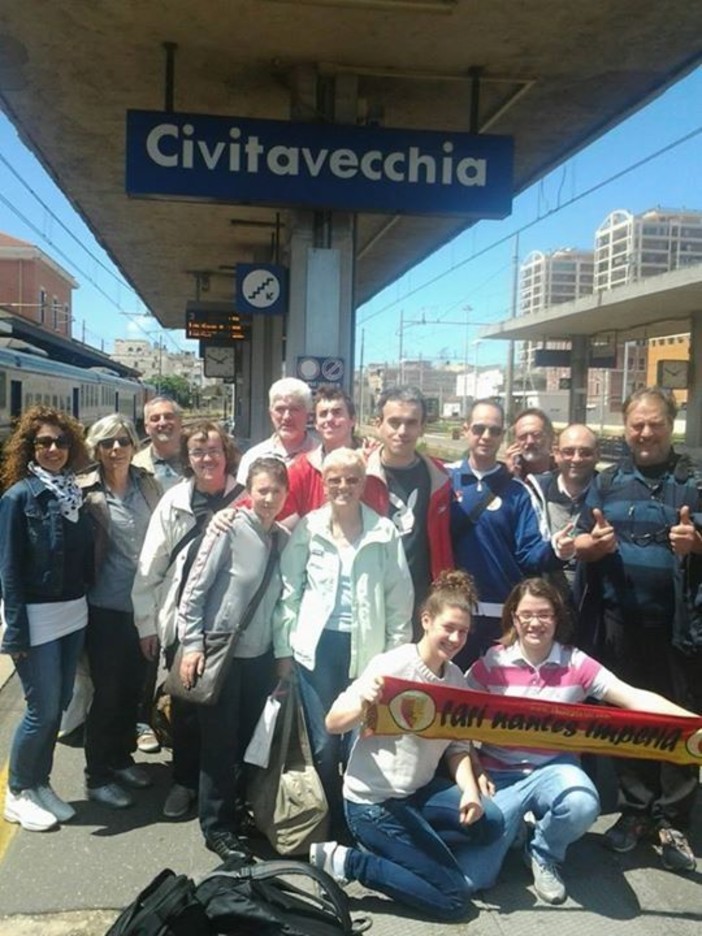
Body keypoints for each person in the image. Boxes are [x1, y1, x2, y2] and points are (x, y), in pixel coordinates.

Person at [462, 577, 698, 905]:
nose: (535, 622)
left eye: (544, 614)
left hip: (554, 769)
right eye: (526, 614)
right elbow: (454, 720)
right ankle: (515, 830)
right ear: (513, 617)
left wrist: (693, 724)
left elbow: (631, 696)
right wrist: (474, 770)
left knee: (583, 804)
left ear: (557, 618)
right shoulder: (491, 664)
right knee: (474, 878)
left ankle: (544, 852)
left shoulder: (576, 662)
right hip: (499, 775)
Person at [309, 570, 504, 921]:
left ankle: (409, 854)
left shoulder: (456, 679)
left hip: (417, 793)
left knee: (491, 821)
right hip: (373, 803)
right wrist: (363, 704)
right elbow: (332, 722)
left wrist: (470, 791)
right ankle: (350, 861)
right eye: (449, 627)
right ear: (426, 620)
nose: (456, 638)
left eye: (463, 631)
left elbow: (457, 747)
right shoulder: (392, 665)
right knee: (454, 899)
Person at [574, 386, 701, 872]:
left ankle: (673, 819)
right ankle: (634, 811)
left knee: (681, 718)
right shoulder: (606, 483)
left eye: (656, 424)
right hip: (619, 622)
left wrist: (698, 544)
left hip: (681, 626)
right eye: (637, 425)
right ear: (625, 427)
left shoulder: (695, 482)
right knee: (628, 718)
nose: (645, 433)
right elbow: (583, 539)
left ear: (674, 424)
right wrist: (593, 546)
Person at [276, 447, 413, 836]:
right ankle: (330, 818)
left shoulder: (383, 531)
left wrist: (396, 659)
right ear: (323, 484)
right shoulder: (309, 528)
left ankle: (359, 822)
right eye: (334, 479)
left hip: (368, 652)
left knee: (360, 741)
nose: (343, 486)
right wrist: (284, 650)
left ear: (364, 484)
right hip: (317, 651)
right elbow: (290, 589)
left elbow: (398, 599)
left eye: (352, 479)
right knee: (323, 744)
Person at [175, 458, 290, 861]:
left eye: (277, 491)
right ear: (249, 491)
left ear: (286, 495)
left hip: (259, 658)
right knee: (219, 745)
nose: (269, 498)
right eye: (262, 490)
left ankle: (237, 813)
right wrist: (191, 644)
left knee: (246, 742)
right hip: (220, 652)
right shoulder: (227, 528)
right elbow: (194, 591)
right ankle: (217, 827)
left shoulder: (283, 538)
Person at [132, 420, 242, 821]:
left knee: (229, 712)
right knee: (185, 706)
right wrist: (147, 623)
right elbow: (150, 566)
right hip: (183, 623)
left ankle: (223, 787)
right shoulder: (175, 501)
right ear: (188, 458)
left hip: (234, 629)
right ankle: (184, 781)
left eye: (213, 450)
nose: (207, 458)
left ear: (226, 454)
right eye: (197, 452)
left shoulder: (245, 498)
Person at [0, 405, 93, 832]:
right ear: (30, 448)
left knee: (57, 707)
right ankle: (17, 791)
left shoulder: (73, 492)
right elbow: (9, 571)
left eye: (60, 441)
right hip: (36, 620)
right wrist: (15, 630)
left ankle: (41, 783)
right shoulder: (18, 497)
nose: (53, 448)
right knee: (40, 709)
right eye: (44, 442)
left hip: (73, 614)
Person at [77, 415, 162, 808]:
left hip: (144, 607)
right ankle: (97, 775)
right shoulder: (84, 491)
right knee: (108, 692)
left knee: (134, 689)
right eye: (107, 443)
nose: (116, 450)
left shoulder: (148, 484)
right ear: (96, 449)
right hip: (105, 607)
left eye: (123, 442)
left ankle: (121, 757)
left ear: (133, 445)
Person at [448, 399, 569, 670]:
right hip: (453, 612)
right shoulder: (443, 479)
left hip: (500, 614)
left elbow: (530, 553)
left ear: (502, 436)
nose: (486, 436)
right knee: (452, 694)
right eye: (479, 428)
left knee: (498, 696)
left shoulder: (519, 491)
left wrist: (557, 550)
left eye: (494, 430)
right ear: (465, 429)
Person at [364, 386, 454, 637]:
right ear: (378, 424)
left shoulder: (440, 476)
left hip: (422, 598)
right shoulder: (358, 475)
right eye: (394, 422)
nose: (402, 431)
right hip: (370, 595)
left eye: (411, 423)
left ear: (422, 427)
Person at [277, 385, 368, 527]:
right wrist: (234, 512)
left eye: (337, 412)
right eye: (323, 414)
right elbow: (272, 502)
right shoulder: (303, 468)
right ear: (316, 424)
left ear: (353, 420)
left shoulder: (372, 462)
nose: (329, 419)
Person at [529, 423, 599, 595]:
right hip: (544, 599)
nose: (576, 459)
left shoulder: (609, 491)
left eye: (585, 452)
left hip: (593, 600)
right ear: (556, 453)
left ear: (598, 455)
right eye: (568, 452)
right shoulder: (534, 490)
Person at [236, 377, 316, 485]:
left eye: (295, 409)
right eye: (280, 409)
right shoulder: (253, 457)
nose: (287, 417)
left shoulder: (322, 454)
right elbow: (243, 501)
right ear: (271, 413)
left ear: (308, 414)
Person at [132, 396, 184, 491]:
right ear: (146, 427)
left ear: (180, 422)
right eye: (155, 419)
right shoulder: (135, 465)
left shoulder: (198, 460)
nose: (163, 423)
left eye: (168, 417)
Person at [505, 407, 556, 480]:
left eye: (536, 435)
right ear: (515, 442)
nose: (530, 441)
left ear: (550, 437)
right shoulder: (507, 475)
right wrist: (511, 476)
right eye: (523, 436)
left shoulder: (564, 473)